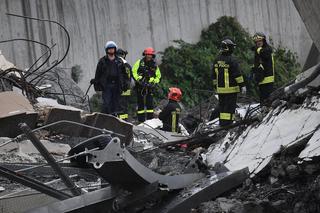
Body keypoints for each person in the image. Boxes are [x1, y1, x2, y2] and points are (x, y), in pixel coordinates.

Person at [212, 38, 246, 126]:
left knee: (223, 108)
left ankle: (222, 124)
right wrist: (242, 86)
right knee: (229, 109)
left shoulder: (217, 60)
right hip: (231, 90)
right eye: (232, 47)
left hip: (220, 90)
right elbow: (237, 75)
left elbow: (213, 75)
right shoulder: (232, 60)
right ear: (228, 48)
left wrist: (216, 87)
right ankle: (228, 125)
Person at [90, 41, 128, 115]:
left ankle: (116, 121)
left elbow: (124, 74)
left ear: (115, 49)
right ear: (106, 50)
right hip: (107, 85)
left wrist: (126, 83)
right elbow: (98, 73)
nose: (111, 50)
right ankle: (107, 120)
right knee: (107, 103)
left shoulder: (120, 61)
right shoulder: (102, 61)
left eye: (112, 49)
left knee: (116, 104)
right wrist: (95, 81)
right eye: (109, 49)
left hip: (117, 85)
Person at [132, 47, 161, 122]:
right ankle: (141, 121)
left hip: (150, 87)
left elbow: (158, 76)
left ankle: (150, 121)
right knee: (140, 104)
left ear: (152, 55)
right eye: (147, 54)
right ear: (145, 54)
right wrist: (139, 80)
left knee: (150, 104)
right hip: (140, 86)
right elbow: (133, 72)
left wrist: (153, 82)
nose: (149, 56)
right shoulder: (139, 62)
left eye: (150, 55)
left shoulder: (154, 65)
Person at [251, 32, 275, 105]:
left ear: (263, 41)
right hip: (261, 80)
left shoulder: (266, 49)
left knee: (267, 100)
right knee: (262, 100)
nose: (258, 43)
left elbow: (265, 55)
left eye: (260, 41)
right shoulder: (258, 50)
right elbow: (259, 63)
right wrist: (253, 70)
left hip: (267, 80)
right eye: (257, 41)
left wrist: (258, 50)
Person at [116, 48, 132, 120]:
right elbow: (129, 77)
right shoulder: (127, 64)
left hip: (120, 89)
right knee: (124, 107)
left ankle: (121, 122)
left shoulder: (117, 63)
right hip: (127, 90)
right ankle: (124, 121)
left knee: (119, 108)